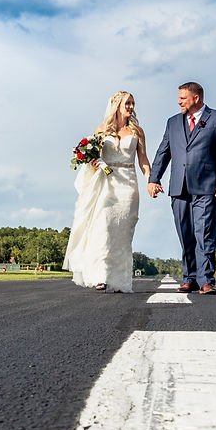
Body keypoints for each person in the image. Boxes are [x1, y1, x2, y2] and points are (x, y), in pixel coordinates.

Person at [149, 82, 216, 295]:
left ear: (196, 98)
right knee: (185, 234)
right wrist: (154, 178)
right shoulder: (173, 122)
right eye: (179, 98)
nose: (179, 102)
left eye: (183, 98)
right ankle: (190, 279)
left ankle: (206, 280)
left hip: (207, 187)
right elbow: (163, 151)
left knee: (204, 233)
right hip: (179, 188)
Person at [64, 91, 151, 293]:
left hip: (128, 184)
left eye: (133, 103)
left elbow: (143, 160)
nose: (131, 107)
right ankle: (101, 276)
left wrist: (150, 180)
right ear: (116, 105)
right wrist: (93, 161)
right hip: (107, 182)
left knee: (123, 231)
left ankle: (120, 280)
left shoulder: (138, 132)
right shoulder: (101, 131)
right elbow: (94, 159)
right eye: (127, 103)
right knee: (104, 227)